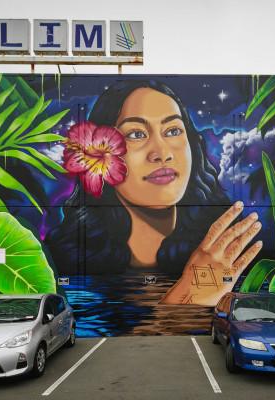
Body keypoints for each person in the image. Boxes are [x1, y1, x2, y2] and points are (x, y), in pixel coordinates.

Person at [46, 79, 262, 306]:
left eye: (173, 130)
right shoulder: (62, 259)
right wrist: (186, 298)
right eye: (137, 134)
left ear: (192, 148)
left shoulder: (225, 253)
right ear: (98, 156)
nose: (162, 153)